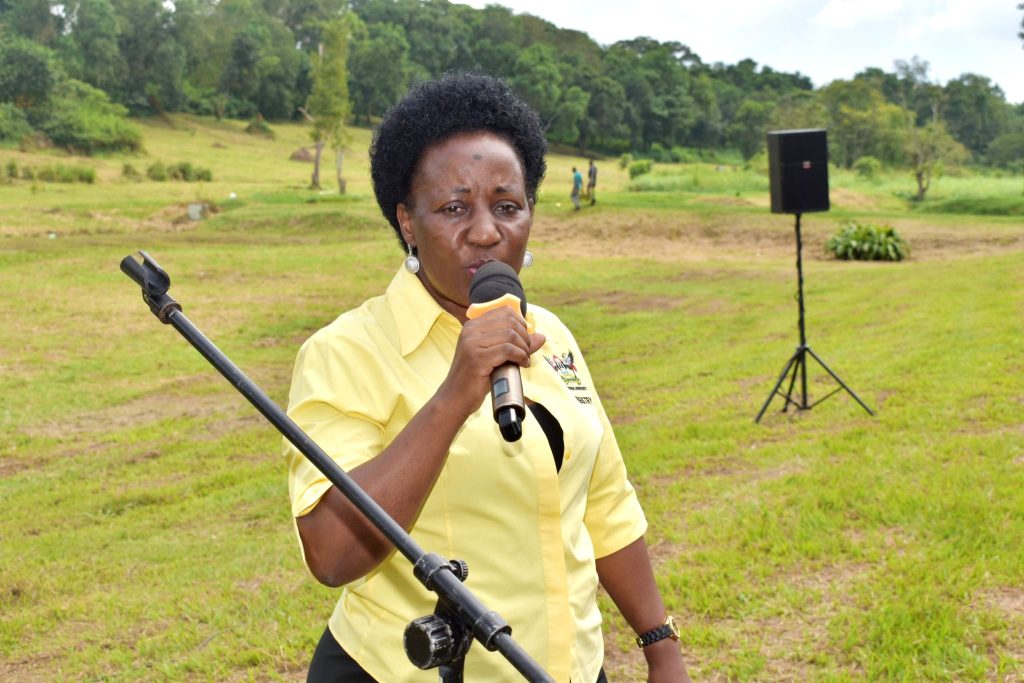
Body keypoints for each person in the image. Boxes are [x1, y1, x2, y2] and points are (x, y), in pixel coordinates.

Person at [284, 71, 691, 683]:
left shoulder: (550, 333)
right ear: (406, 222)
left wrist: (661, 649)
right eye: (453, 207)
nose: (485, 232)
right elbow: (333, 554)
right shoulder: (345, 353)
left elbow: (605, 503)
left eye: (507, 206)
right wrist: (454, 394)